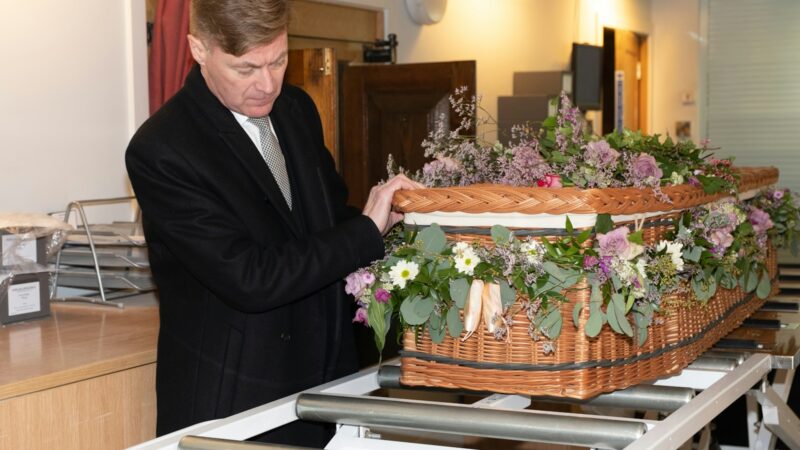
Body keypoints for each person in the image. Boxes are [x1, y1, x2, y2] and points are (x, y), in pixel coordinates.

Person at [125, 0, 420, 445]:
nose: (267, 84)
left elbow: (328, 225)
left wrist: (405, 215)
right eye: (246, 69)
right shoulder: (163, 148)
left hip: (327, 387)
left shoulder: (296, 108)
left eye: (278, 61)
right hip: (236, 405)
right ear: (198, 49)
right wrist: (364, 230)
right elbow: (251, 277)